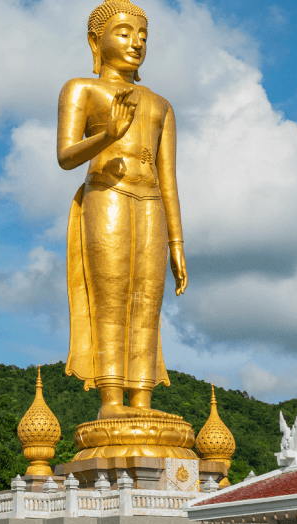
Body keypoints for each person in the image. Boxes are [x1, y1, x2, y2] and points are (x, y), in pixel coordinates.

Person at [58, 0, 187, 421]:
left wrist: (178, 244)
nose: (136, 43)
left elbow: (168, 178)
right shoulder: (82, 89)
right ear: (97, 40)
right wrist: (107, 135)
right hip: (107, 192)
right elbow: (65, 156)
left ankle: (143, 400)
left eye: (143, 36)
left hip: (150, 199)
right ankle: (111, 399)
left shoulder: (160, 104)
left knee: (147, 301)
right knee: (111, 298)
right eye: (125, 33)